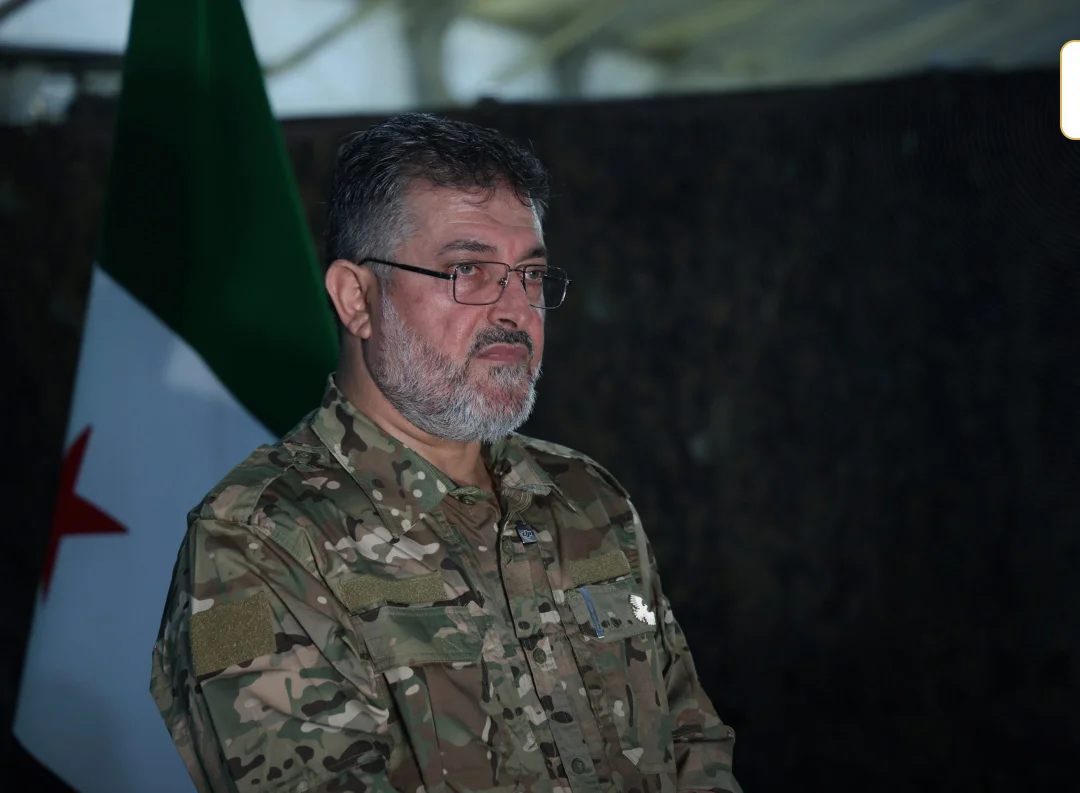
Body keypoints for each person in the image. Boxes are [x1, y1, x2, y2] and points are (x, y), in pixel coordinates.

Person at [150, 113, 741, 793]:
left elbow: (692, 740)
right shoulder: (256, 541)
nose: (515, 310)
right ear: (356, 298)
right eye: (467, 270)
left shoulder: (585, 498)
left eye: (530, 275)